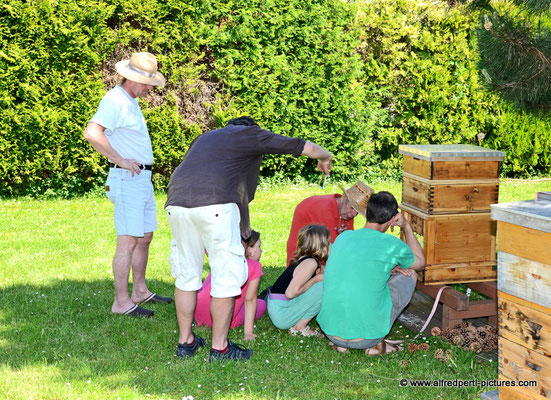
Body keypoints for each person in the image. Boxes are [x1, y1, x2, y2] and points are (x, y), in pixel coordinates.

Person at [165, 116, 333, 362]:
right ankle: (220, 348)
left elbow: (232, 187)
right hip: (215, 206)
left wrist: (244, 228)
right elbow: (303, 146)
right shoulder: (251, 135)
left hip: (176, 204)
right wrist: (325, 156)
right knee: (225, 278)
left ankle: (186, 342)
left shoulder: (206, 137)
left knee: (187, 276)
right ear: (251, 128)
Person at [83, 52, 172, 318]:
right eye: (147, 83)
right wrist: (119, 160)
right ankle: (121, 302)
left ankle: (140, 291)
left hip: (140, 179)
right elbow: (91, 132)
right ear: (132, 78)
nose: (149, 88)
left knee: (144, 237)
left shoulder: (129, 101)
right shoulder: (115, 100)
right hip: (127, 180)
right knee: (128, 241)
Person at [317, 191, 425, 355]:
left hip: (330, 331)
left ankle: (343, 342)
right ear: (391, 220)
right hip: (367, 337)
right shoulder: (391, 244)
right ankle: (376, 342)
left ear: (366, 212)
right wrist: (407, 226)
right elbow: (420, 263)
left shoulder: (343, 237)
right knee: (409, 275)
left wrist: (391, 267)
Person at [194, 230, 267, 341]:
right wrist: (248, 332)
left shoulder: (224, 259)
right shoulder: (254, 266)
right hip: (222, 320)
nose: (261, 250)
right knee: (261, 304)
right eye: (259, 246)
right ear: (250, 251)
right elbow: (250, 300)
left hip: (197, 311)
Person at [285, 181, 373, 266]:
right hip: (300, 259)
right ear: (344, 198)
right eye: (352, 208)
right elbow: (333, 251)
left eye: (357, 212)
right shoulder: (324, 209)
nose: (354, 214)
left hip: (318, 255)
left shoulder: (346, 211)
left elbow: (349, 244)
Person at [267, 224, 331, 337]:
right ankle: (300, 327)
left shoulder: (305, 260)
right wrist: (316, 279)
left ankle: (298, 324)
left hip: (278, 308)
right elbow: (291, 293)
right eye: (329, 242)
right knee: (323, 286)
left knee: (321, 282)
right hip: (282, 312)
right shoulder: (311, 263)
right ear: (322, 245)